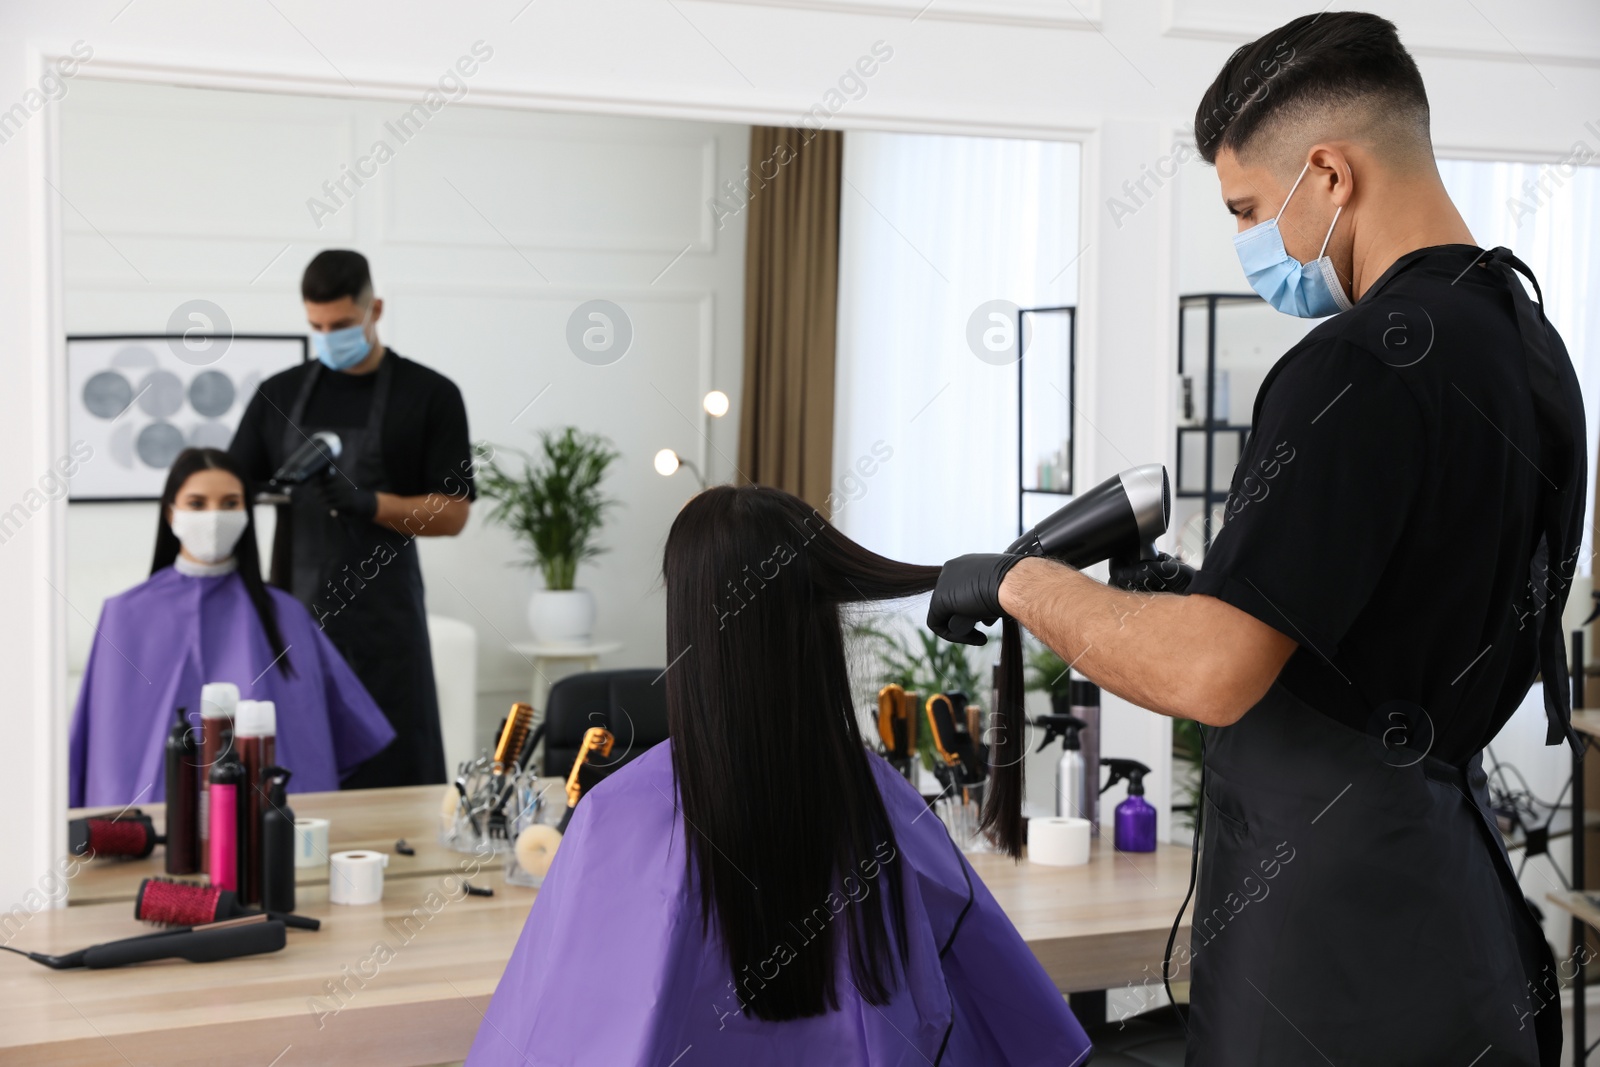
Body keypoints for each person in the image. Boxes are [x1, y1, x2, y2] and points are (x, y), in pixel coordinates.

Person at [927, 13, 1584, 1066]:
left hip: (1334, 958)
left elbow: (1210, 672)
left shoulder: (1357, 364)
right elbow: (1393, 623)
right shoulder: (1529, 343)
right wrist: (1204, 589)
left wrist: (1022, 583)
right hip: (1454, 926)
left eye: (1247, 209)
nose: (1255, 247)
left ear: (1327, 172)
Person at [466, 485, 1089, 1066]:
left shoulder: (616, 814)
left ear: (684, 616)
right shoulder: (881, 804)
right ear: (818, 622)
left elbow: (553, 1032)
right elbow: (991, 999)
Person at [229, 250, 475, 788]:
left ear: (375, 309)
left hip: (386, 627)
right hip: (294, 621)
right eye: (315, 326)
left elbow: (454, 513)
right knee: (296, 774)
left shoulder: (430, 395)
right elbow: (233, 488)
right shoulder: (280, 395)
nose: (328, 336)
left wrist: (372, 503)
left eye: (340, 324)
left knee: (393, 777)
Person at [69, 448, 395, 808]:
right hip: (155, 828)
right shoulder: (124, 616)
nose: (214, 517)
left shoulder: (286, 615)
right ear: (170, 513)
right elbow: (107, 752)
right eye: (197, 503)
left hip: (267, 822)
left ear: (246, 513)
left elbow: (327, 733)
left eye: (229, 503)